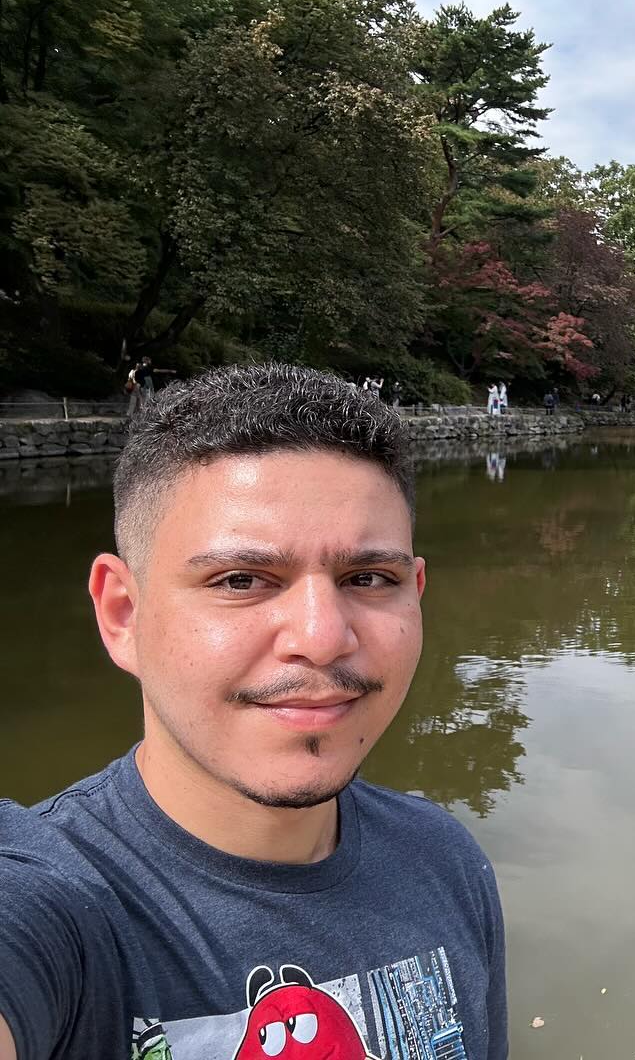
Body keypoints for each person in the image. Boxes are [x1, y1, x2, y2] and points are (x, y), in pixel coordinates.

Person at [0, 364, 507, 1060]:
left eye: (368, 579)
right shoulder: (54, 900)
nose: (323, 636)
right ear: (123, 615)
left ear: (415, 593)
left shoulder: (445, 862)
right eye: (240, 580)